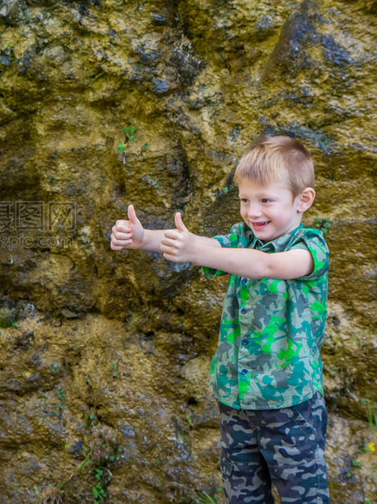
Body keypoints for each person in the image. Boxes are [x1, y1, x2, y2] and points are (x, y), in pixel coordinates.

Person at [111, 135, 329, 503]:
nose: (252, 211)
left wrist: (196, 251)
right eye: (245, 200)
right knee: (241, 497)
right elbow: (203, 244)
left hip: (291, 405)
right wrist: (145, 237)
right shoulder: (244, 238)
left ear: (302, 200)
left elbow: (266, 266)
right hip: (236, 402)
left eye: (266, 200)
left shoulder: (310, 249)